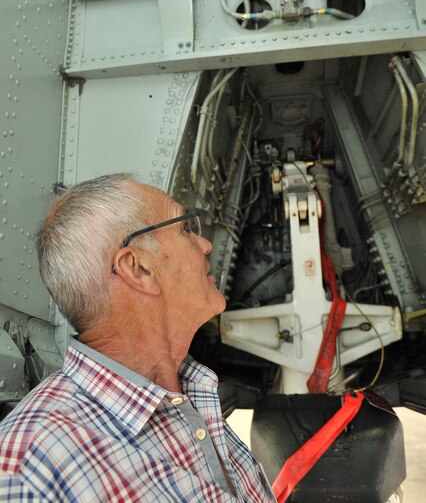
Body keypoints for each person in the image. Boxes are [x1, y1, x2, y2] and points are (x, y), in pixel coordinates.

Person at [0, 173, 276, 502]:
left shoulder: (188, 394)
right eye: (186, 228)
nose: (205, 244)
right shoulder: (27, 473)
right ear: (138, 268)